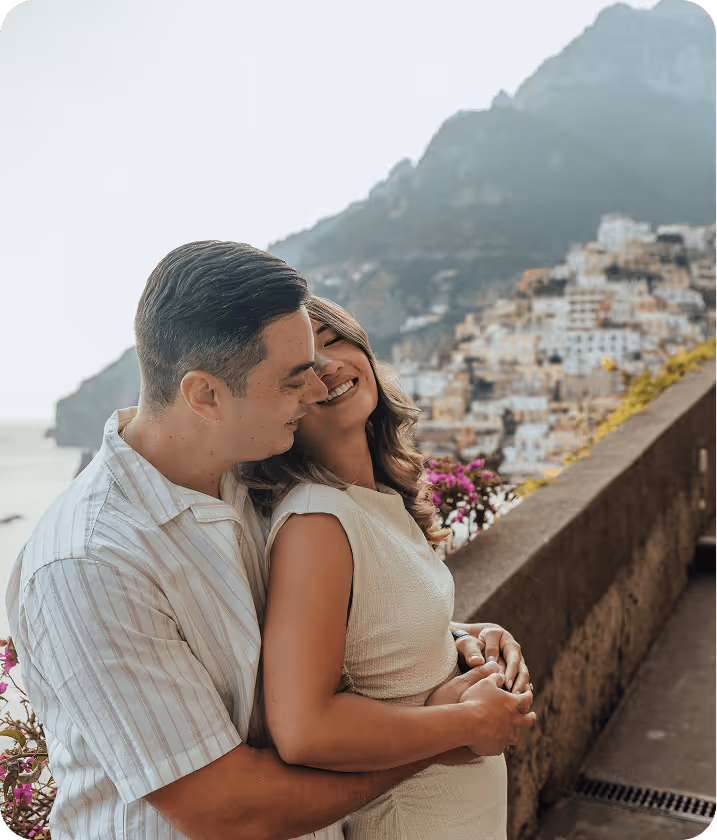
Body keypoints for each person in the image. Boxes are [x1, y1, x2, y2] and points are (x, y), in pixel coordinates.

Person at [5, 241, 533, 840]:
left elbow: (327, 623)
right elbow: (226, 811)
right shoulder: (89, 563)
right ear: (205, 395)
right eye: (291, 380)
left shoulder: (247, 475)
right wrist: (448, 733)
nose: (314, 391)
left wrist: (451, 639)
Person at [240, 296, 536, 839]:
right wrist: (469, 721)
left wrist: (463, 636)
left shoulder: (376, 498)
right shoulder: (317, 519)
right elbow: (304, 730)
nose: (330, 366)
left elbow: (371, 632)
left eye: (335, 341)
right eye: (304, 364)